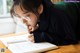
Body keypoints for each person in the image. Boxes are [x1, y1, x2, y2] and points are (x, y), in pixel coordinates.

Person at [10, 0, 80, 45]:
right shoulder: (39, 16)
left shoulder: (57, 15)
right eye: (20, 17)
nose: (23, 21)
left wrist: (43, 36)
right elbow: (49, 32)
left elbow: (71, 39)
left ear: (40, 9)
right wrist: (36, 31)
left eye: (27, 16)